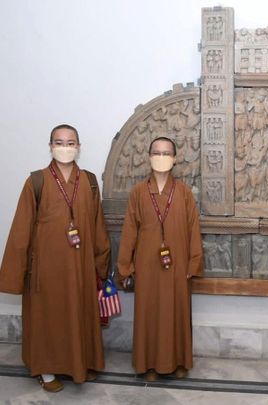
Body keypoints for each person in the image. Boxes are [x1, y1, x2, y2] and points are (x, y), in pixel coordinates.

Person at [0, 124, 111, 392]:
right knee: (48, 318)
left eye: (70, 142)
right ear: (50, 146)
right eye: (59, 143)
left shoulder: (90, 181)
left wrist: (101, 265)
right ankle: (46, 370)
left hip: (80, 267)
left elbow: (98, 227)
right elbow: (20, 231)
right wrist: (16, 275)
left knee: (79, 314)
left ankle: (78, 365)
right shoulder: (36, 181)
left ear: (79, 147)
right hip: (46, 269)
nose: (65, 148)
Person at [117, 136, 203, 381]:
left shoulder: (184, 192)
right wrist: (126, 266)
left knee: (177, 312)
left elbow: (193, 229)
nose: (162, 157)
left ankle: (179, 361)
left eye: (167, 153)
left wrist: (193, 262)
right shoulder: (138, 192)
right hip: (147, 264)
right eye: (157, 152)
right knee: (149, 313)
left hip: (178, 265)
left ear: (175, 159)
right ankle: (149, 364)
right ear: (148, 157)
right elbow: (129, 231)